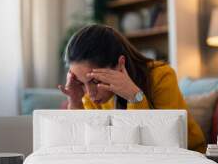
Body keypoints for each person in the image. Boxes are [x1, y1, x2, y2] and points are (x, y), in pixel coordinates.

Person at [58, 24, 206, 153]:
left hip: (187, 156)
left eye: (95, 81)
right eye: (81, 83)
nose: (90, 94)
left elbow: (165, 143)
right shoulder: (89, 95)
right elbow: (88, 147)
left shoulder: (161, 76)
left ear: (119, 64)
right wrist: (75, 102)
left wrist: (135, 96)